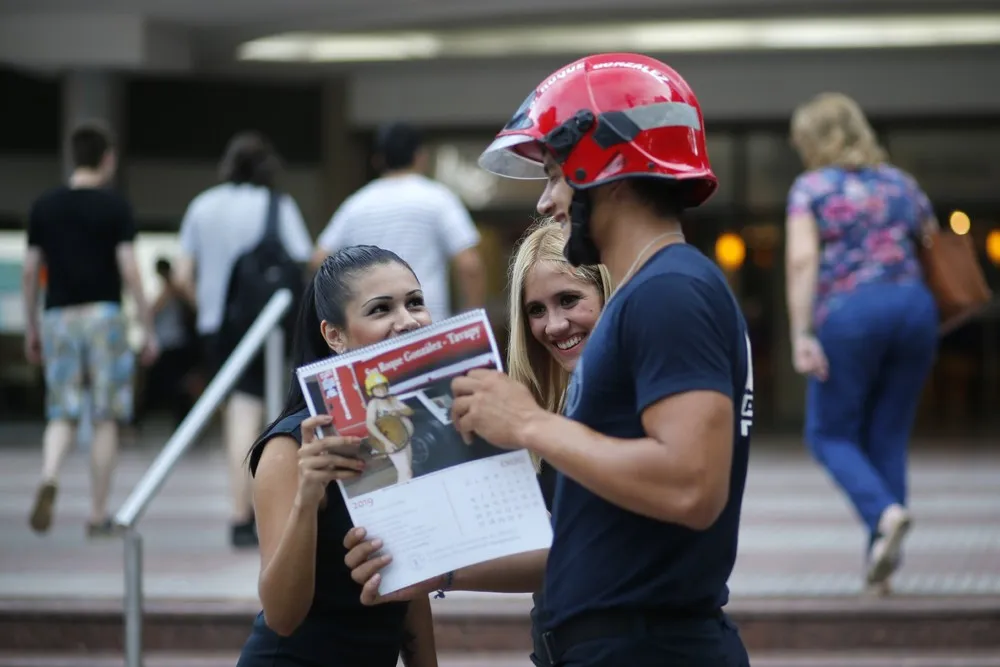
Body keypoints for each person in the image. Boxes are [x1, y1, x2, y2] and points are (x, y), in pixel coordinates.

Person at [376, 53, 753, 666]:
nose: (547, 201)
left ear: (610, 171)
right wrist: (434, 566)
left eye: (554, 175)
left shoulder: (669, 291)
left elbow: (692, 485)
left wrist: (528, 424)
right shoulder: (657, 291)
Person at [342, 219, 613, 667]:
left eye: (569, 300)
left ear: (608, 293)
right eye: (536, 310)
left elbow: (591, 553)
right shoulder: (561, 402)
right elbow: (553, 546)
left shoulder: (627, 400)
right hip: (563, 645)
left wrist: (440, 572)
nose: (554, 325)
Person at [236, 245, 438, 667]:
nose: (407, 321)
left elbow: (410, 578)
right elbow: (281, 616)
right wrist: (307, 499)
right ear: (335, 336)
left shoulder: (411, 424)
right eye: (381, 309)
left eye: (415, 302)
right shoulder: (291, 447)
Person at [785, 92, 939, 596]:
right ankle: (883, 569)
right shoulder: (901, 183)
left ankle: (883, 514)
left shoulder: (811, 188)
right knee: (887, 436)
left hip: (850, 313)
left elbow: (802, 262)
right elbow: (932, 241)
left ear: (812, 141)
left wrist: (801, 333)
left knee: (828, 434)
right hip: (914, 310)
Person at [174, 131, 314, 548]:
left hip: (219, 328)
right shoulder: (277, 205)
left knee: (238, 412)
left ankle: (239, 516)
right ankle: (268, 509)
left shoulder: (202, 205)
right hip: (268, 326)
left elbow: (181, 275)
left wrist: (209, 308)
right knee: (268, 411)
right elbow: (304, 260)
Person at [23, 120, 158, 538]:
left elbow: (30, 271)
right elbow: (129, 268)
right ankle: (98, 515)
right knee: (105, 418)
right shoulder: (115, 207)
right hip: (105, 317)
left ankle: (49, 474)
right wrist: (147, 323)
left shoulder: (44, 206)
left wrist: (32, 326)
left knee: (61, 411)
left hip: (59, 317)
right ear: (107, 159)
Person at [312, 121, 487, 322]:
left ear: (378, 160)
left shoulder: (356, 204)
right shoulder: (438, 198)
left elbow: (318, 259)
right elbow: (469, 265)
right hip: (426, 321)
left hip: (373, 323)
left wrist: (345, 312)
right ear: (420, 156)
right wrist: (472, 320)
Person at [363, 369, 416, 483]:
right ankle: (404, 492)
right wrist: (386, 443)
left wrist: (399, 412)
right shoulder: (374, 403)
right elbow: (369, 424)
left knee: (407, 471)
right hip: (393, 442)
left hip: (405, 439)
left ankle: (405, 490)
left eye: (383, 386)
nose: (381, 390)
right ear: (371, 391)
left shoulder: (392, 399)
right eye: (377, 388)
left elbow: (410, 410)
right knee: (406, 472)